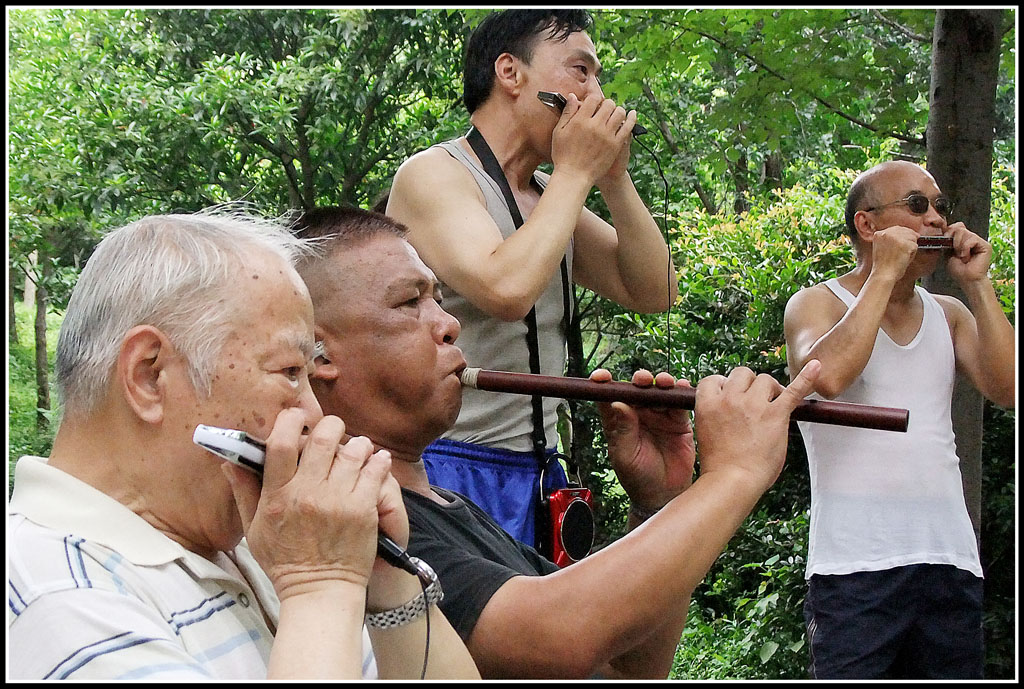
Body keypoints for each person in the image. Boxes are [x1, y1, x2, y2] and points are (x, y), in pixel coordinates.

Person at [292, 205, 821, 679]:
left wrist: (659, 503)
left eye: (439, 298)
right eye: (411, 302)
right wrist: (734, 474)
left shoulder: (450, 509)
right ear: (317, 355)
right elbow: (559, 640)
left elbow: (624, 668)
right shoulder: (351, 519)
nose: (449, 324)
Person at [7, 211, 479, 680]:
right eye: (290, 372)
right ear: (149, 376)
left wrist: (388, 582)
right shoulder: (54, 596)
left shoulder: (261, 544)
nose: (316, 416)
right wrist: (319, 584)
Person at [385, 9, 677, 550]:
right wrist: (576, 172)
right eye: (580, 71)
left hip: (543, 472)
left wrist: (613, 178)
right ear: (510, 74)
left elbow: (655, 290)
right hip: (452, 462)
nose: (596, 93)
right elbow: (505, 289)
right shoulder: (435, 173)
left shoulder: (548, 194)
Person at [783, 160, 1015, 679]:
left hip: (949, 559)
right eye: (916, 205)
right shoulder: (815, 303)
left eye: (939, 208)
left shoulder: (949, 313)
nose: (935, 218)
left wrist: (978, 286)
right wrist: (883, 273)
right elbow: (828, 377)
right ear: (867, 225)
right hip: (854, 568)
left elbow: (1009, 388)